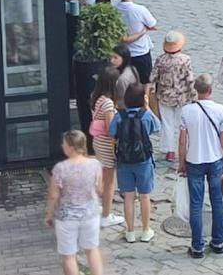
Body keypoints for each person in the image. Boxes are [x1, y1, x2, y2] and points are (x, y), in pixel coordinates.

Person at [180, 73, 223, 259]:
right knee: (217, 201)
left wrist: (181, 162)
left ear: (196, 90)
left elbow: (182, 140)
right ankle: (218, 242)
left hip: (194, 160)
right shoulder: (220, 110)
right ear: (210, 90)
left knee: (196, 205)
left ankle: (197, 246)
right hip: (215, 160)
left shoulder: (187, 111)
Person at [44, 130, 105, 275]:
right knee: (92, 250)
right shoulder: (95, 164)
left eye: (64, 143)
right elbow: (99, 189)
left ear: (71, 147)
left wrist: (49, 214)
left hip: (67, 216)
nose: (62, 146)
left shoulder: (60, 168)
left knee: (69, 256)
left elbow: (53, 195)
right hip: (90, 214)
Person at [109, 83, 160, 243]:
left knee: (129, 197)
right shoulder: (145, 115)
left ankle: (130, 231)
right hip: (143, 160)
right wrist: (147, 106)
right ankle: (146, 230)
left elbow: (111, 133)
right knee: (145, 196)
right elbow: (157, 127)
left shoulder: (119, 116)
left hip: (124, 161)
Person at [151, 30, 196, 162]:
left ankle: (169, 151)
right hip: (182, 97)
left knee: (167, 124)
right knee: (182, 124)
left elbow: (153, 76)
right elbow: (190, 79)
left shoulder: (161, 59)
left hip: (165, 97)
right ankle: (183, 147)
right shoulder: (185, 60)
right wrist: (194, 95)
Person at [88, 67, 124, 228]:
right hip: (107, 145)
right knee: (110, 182)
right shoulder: (108, 103)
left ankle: (97, 206)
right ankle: (106, 215)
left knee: (102, 177)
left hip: (97, 142)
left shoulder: (96, 98)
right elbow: (111, 129)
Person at [114, 0, 158, 85]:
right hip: (140, 52)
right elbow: (152, 24)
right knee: (145, 83)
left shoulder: (114, 8)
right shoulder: (140, 10)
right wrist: (143, 30)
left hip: (122, 53)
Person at [109, 42, 140, 108]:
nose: (112, 60)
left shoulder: (122, 79)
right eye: (111, 57)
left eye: (115, 58)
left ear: (124, 58)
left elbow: (122, 100)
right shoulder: (132, 69)